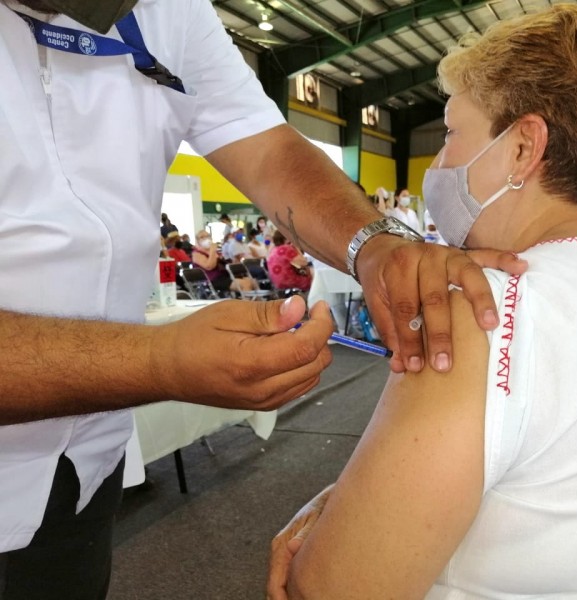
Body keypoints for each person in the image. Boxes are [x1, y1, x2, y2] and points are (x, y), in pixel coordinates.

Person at [1, 1, 527, 596]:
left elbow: (267, 149)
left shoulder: (168, 12)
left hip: (83, 469)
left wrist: (376, 246)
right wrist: (158, 362)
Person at [268, 7, 577, 599]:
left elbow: (322, 589)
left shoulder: (483, 309)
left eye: (454, 133)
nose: (439, 165)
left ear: (522, 148)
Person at [192, 230, 254, 297]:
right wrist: (212, 251)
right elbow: (209, 266)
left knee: (252, 282)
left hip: (224, 275)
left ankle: (257, 305)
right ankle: (247, 306)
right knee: (245, 284)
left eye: (208, 236)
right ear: (197, 241)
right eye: (202, 237)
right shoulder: (197, 254)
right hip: (212, 280)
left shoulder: (214, 252)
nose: (206, 238)